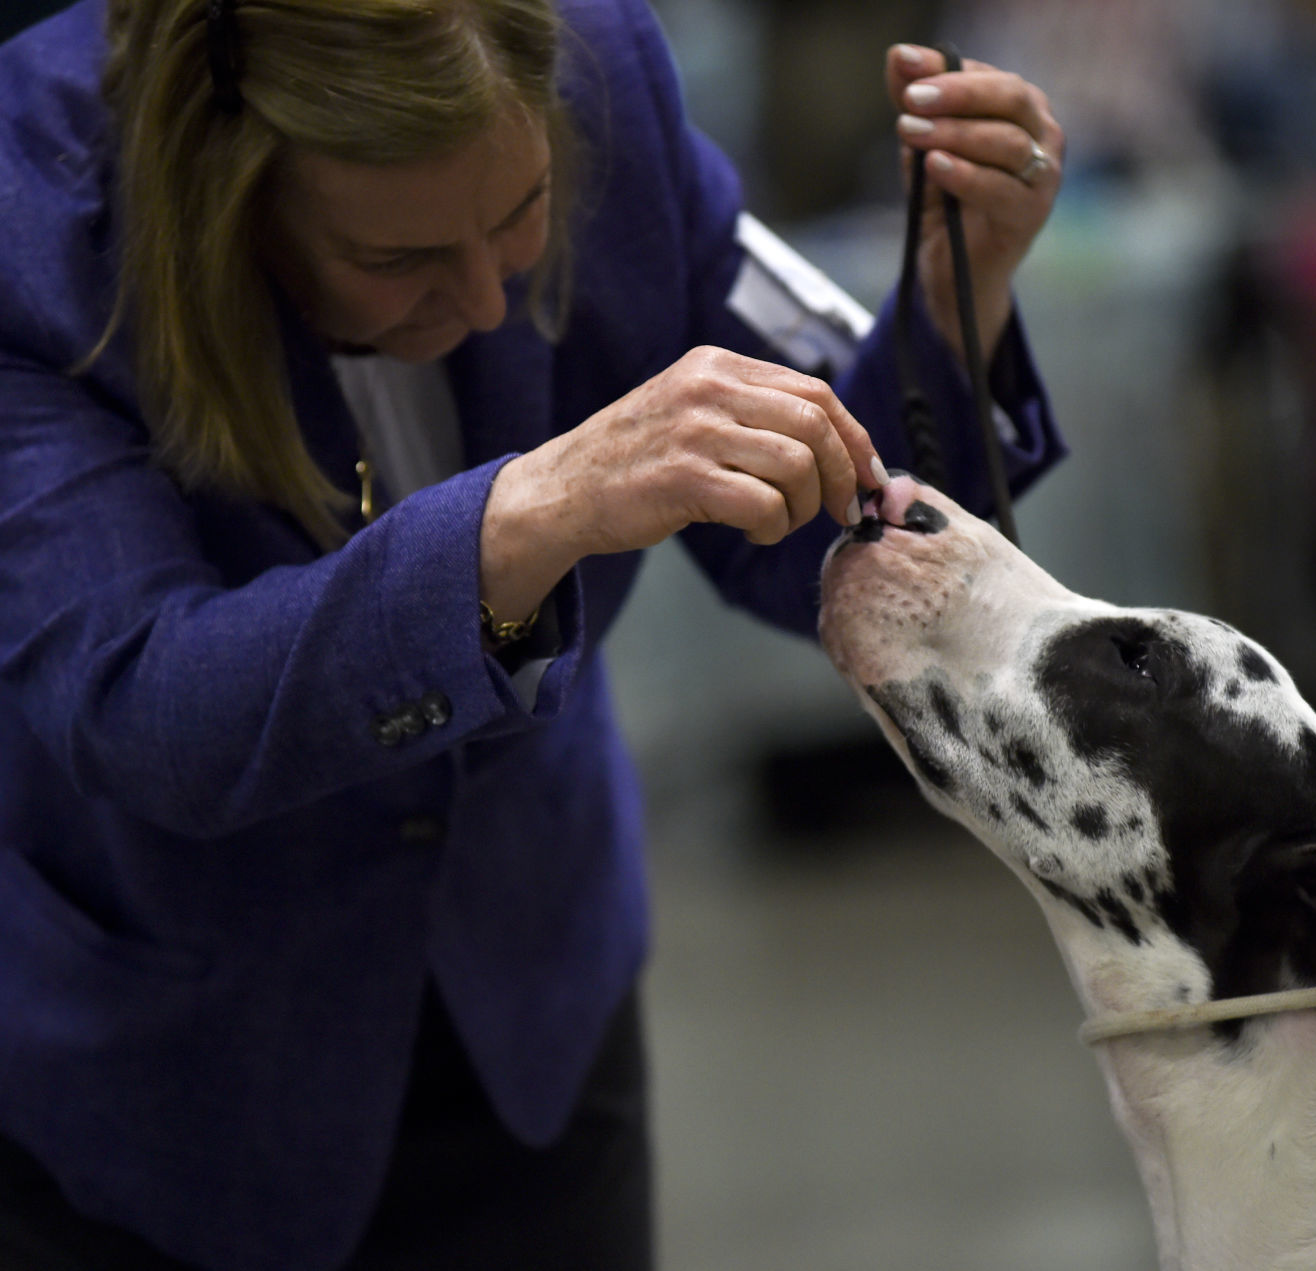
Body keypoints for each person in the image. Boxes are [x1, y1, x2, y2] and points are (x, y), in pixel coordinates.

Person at [0, 0, 1067, 1267]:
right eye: (394, 260)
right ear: (230, 183)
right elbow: (143, 703)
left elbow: (806, 539)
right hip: (178, 1073)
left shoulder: (605, 66)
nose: (488, 300)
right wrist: (517, 522)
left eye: (520, 214)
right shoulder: (36, 214)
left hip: (535, 1007)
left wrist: (951, 308)